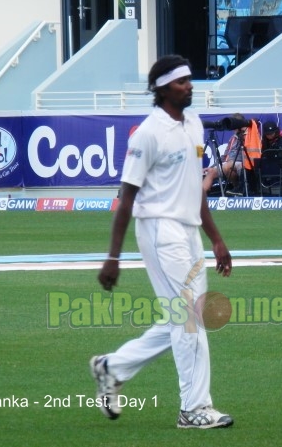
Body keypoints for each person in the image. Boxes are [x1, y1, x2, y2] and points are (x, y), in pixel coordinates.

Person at [93, 55, 234, 429]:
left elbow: (194, 188)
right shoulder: (148, 134)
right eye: (181, 82)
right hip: (159, 230)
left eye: (190, 80)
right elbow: (126, 197)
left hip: (188, 232)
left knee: (186, 317)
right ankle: (194, 409)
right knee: (188, 321)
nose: (190, 86)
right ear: (161, 89)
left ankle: (113, 367)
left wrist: (216, 239)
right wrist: (113, 257)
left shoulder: (194, 124)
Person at [202, 113, 252, 196]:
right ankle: (202, 196)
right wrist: (212, 167)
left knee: (227, 166)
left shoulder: (249, 135)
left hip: (243, 162)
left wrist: (243, 132)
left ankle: (237, 189)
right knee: (210, 172)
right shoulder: (232, 138)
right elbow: (224, 156)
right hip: (228, 163)